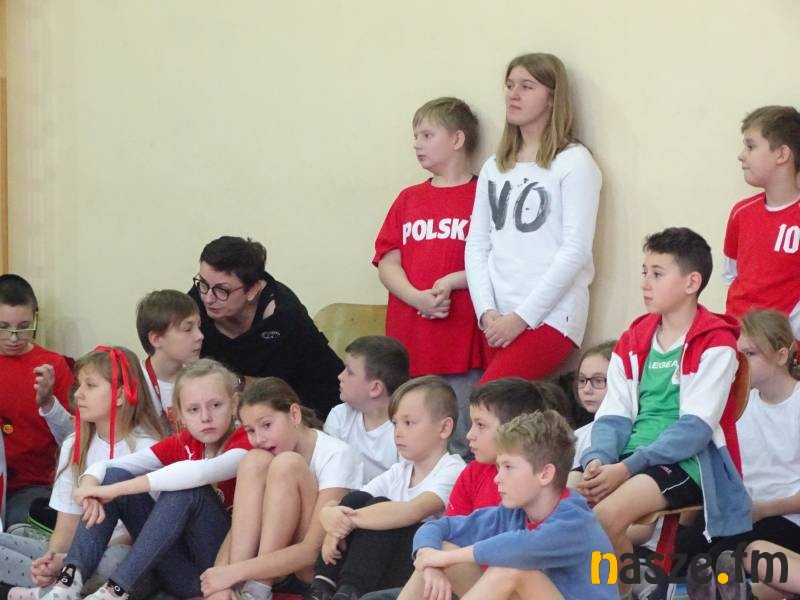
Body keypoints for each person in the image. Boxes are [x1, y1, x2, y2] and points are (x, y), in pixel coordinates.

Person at [577, 227, 751, 597]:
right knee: (550, 503)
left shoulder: (716, 342)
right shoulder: (634, 338)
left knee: (603, 518)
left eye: (657, 274)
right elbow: (613, 414)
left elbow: (695, 429)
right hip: (629, 459)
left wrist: (626, 467)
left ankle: (625, 592)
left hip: (687, 462)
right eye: (644, 272)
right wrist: (598, 458)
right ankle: (625, 588)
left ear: (692, 282)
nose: (645, 283)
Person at [41, 359, 250, 600]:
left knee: (190, 490)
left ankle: (114, 591)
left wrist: (115, 490)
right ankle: (68, 583)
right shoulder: (184, 441)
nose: (205, 417)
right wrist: (90, 485)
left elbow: (199, 473)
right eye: (193, 409)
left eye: (215, 405)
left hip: (221, 573)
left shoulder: (246, 440)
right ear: (179, 415)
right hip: (178, 569)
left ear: (234, 404)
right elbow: (110, 466)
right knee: (113, 477)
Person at [464, 52, 602, 384]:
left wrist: (522, 318)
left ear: (552, 98)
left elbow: (575, 251)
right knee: (513, 410)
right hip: (496, 317)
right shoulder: (495, 166)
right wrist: (486, 311)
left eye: (527, 87)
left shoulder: (574, 162)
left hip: (550, 316)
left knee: (488, 402)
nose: (513, 95)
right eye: (510, 85)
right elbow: (477, 244)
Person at [397, 411, 617, 600]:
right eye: (499, 467)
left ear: (545, 474)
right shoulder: (512, 513)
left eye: (508, 467)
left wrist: (445, 559)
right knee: (439, 549)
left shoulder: (574, 520)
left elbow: (520, 547)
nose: (497, 478)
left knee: (511, 569)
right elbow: (438, 526)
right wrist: (429, 559)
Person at [0, 346, 164, 600]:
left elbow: (141, 535)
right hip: (74, 557)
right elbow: (66, 528)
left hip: (124, 558)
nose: (78, 394)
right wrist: (52, 561)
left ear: (121, 395)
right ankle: (52, 588)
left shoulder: (149, 449)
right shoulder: (74, 443)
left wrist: (73, 560)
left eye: (90, 386)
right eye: (79, 385)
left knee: (115, 561)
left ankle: (44, 592)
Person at [374, 97, 486, 456]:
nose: (417, 144)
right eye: (415, 136)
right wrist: (416, 297)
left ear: (457, 139)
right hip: (411, 341)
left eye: (427, 135)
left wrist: (453, 281)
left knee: (462, 440)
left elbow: (498, 263)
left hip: (462, 343)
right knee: (409, 439)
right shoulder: (409, 199)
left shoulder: (484, 195)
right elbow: (387, 261)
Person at [199, 377, 363, 600]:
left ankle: (257, 587)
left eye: (267, 425)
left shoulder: (337, 455)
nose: (259, 438)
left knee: (288, 464)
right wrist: (221, 581)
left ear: (294, 415)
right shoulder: (263, 454)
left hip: (313, 570)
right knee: (254, 460)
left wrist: (234, 572)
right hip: (262, 569)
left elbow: (312, 550)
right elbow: (241, 524)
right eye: (250, 431)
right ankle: (239, 589)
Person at [305, 376, 465, 599]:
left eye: (409, 423)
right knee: (355, 502)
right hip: (384, 563)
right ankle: (322, 587)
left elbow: (413, 511)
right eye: (395, 423)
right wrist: (329, 515)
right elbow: (353, 500)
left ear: (444, 428)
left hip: (419, 567)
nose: (398, 432)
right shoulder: (400, 471)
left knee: (382, 510)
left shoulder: (453, 469)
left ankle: (350, 591)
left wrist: (346, 521)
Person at [188, 236, 343, 419]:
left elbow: (289, 389)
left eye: (222, 290)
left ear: (253, 290)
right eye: (203, 284)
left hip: (299, 410)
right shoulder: (195, 305)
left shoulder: (286, 317)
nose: (208, 298)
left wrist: (237, 382)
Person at [0, 274, 73, 526]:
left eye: (23, 327)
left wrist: (49, 404)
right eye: (3, 327)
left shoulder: (53, 366)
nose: (13, 338)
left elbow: (76, 438)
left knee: (21, 526)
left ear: (35, 319)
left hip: (33, 486)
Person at [724, 105, 800, 339]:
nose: (741, 155)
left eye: (751, 146)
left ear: (782, 154)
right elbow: (731, 274)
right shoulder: (741, 213)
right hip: (736, 340)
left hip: (784, 347)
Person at [324, 336, 409, 483]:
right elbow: (327, 472)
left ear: (375, 388)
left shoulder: (406, 429)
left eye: (349, 372)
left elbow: (405, 486)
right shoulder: (340, 416)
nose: (340, 376)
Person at [135, 289, 204, 431]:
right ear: (156, 339)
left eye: (199, 327)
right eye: (188, 329)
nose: (200, 336)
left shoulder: (200, 380)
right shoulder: (133, 384)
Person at [569, 341, 615, 471]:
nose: (586, 389)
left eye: (598, 380)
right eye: (582, 380)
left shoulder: (637, 434)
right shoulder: (575, 438)